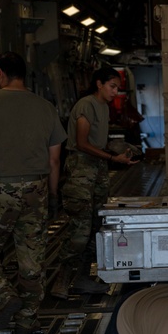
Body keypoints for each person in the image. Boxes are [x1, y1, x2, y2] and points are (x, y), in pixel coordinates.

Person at [0, 52, 67, 333]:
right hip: (35, 188)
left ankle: (4, 294)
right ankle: (27, 317)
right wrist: (52, 196)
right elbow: (54, 160)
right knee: (31, 253)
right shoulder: (45, 107)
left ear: (0, 73)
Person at [51, 66, 138, 299]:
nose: (115, 92)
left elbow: (97, 143)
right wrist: (112, 158)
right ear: (99, 84)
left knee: (95, 227)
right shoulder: (86, 105)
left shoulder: (103, 107)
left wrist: (119, 152)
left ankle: (82, 279)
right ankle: (62, 279)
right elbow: (81, 142)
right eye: (112, 86)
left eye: (118, 88)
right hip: (81, 170)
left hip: (97, 169)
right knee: (79, 229)